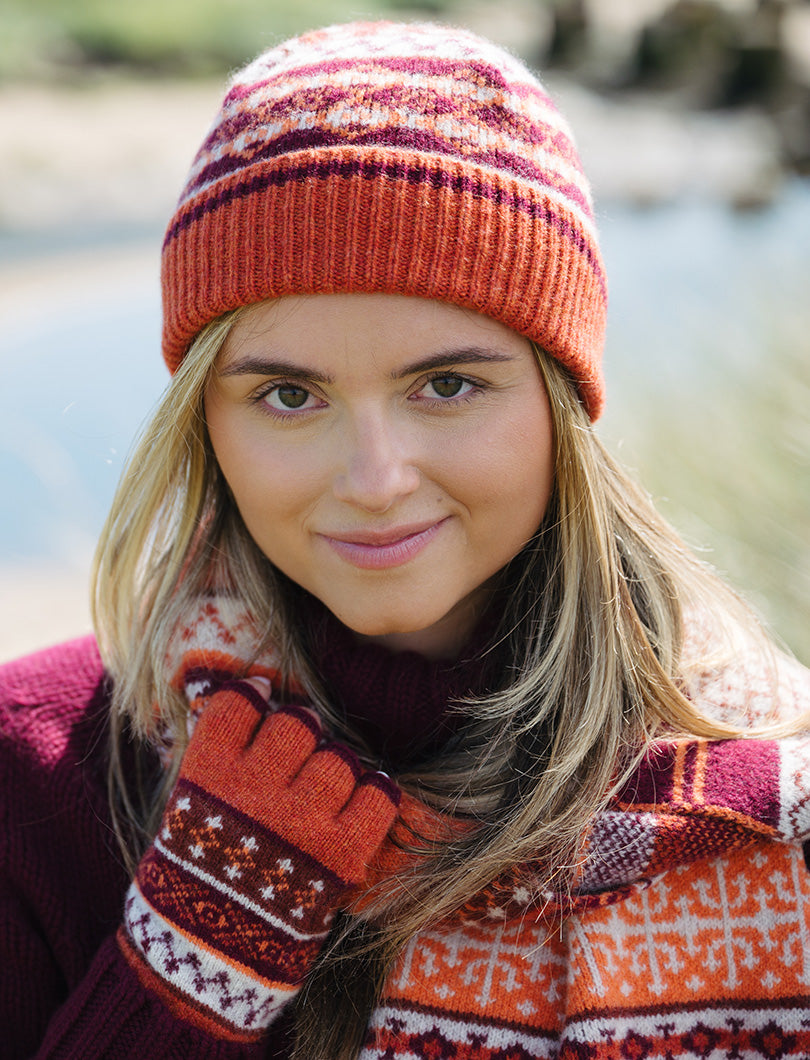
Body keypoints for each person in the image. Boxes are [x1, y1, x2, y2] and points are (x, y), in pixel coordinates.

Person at [1, 19, 809, 1060]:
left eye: (448, 384)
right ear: (206, 420)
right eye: (289, 395)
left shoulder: (765, 809)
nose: (375, 480)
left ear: (563, 402)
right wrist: (182, 978)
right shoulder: (38, 774)